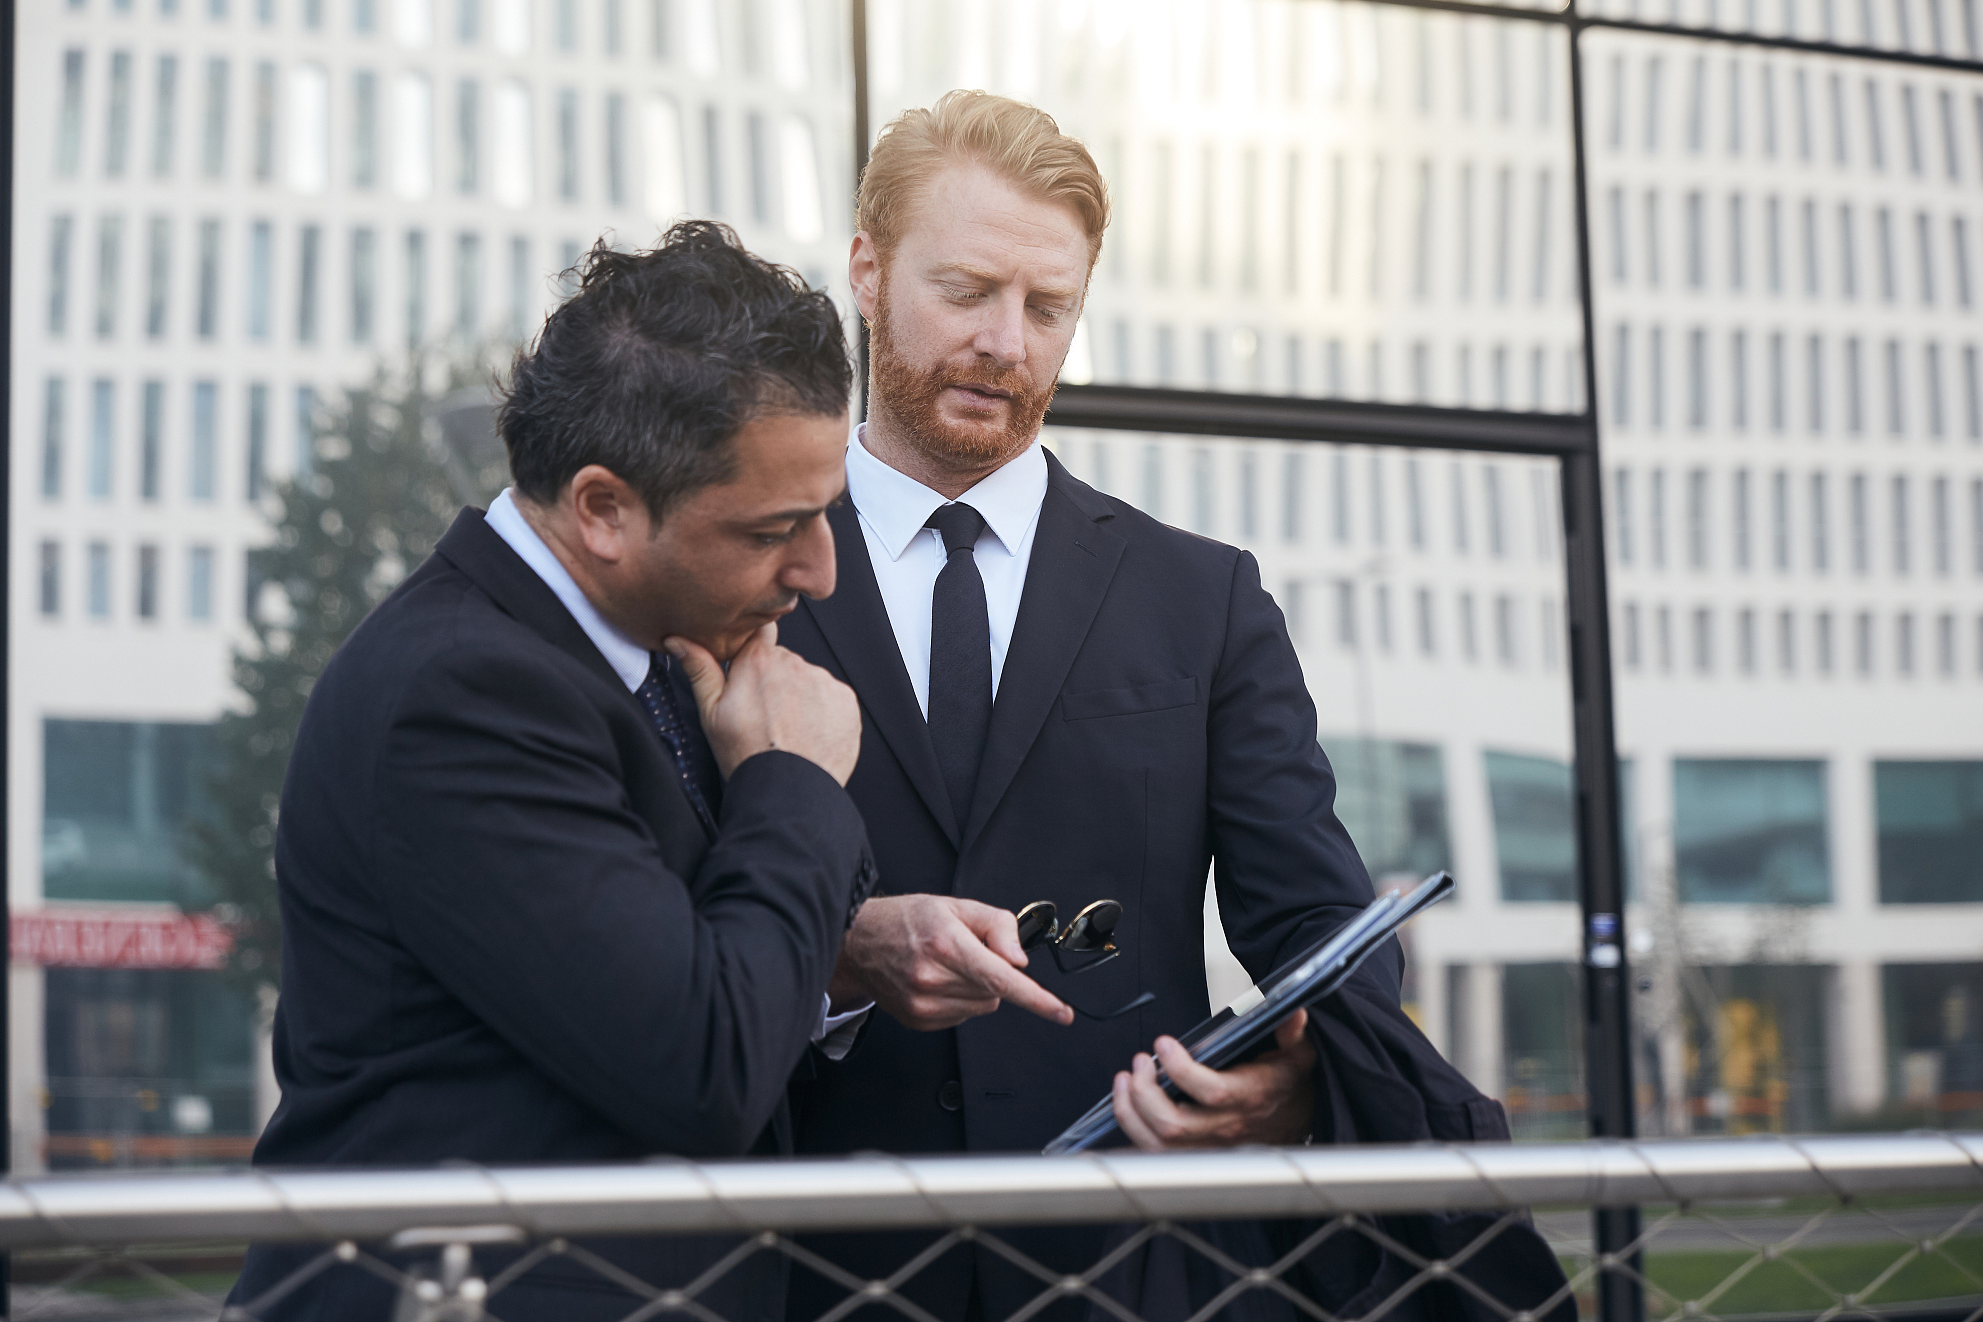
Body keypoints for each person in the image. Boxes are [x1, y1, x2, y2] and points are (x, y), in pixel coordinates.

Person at [778, 93, 1573, 1322]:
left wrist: (1300, 1087)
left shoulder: (1199, 598)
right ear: (867, 273)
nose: (1006, 341)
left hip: (1134, 1270)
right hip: (812, 1265)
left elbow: (1315, 916)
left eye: (1049, 309)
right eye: (968, 290)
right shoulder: (746, 574)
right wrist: (836, 955)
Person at [228, 222, 878, 1322]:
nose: (817, 570)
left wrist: (852, 956)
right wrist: (791, 781)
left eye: (829, 513)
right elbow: (700, 1068)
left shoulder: (654, 645)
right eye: (780, 527)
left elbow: (650, 963)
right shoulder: (461, 695)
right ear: (603, 509)